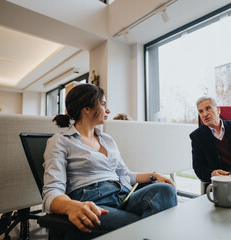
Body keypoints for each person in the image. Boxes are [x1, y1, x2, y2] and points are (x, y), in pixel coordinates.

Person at [43, 83, 177, 239]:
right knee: (150, 226)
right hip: (93, 203)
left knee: (166, 190)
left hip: (124, 196)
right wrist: (71, 206)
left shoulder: (107, 139)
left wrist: (154, 175)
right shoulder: (61, 141)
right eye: (103, 104)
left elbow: (124, 174)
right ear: (86, 109)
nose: (108, 110)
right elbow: (51, 191)